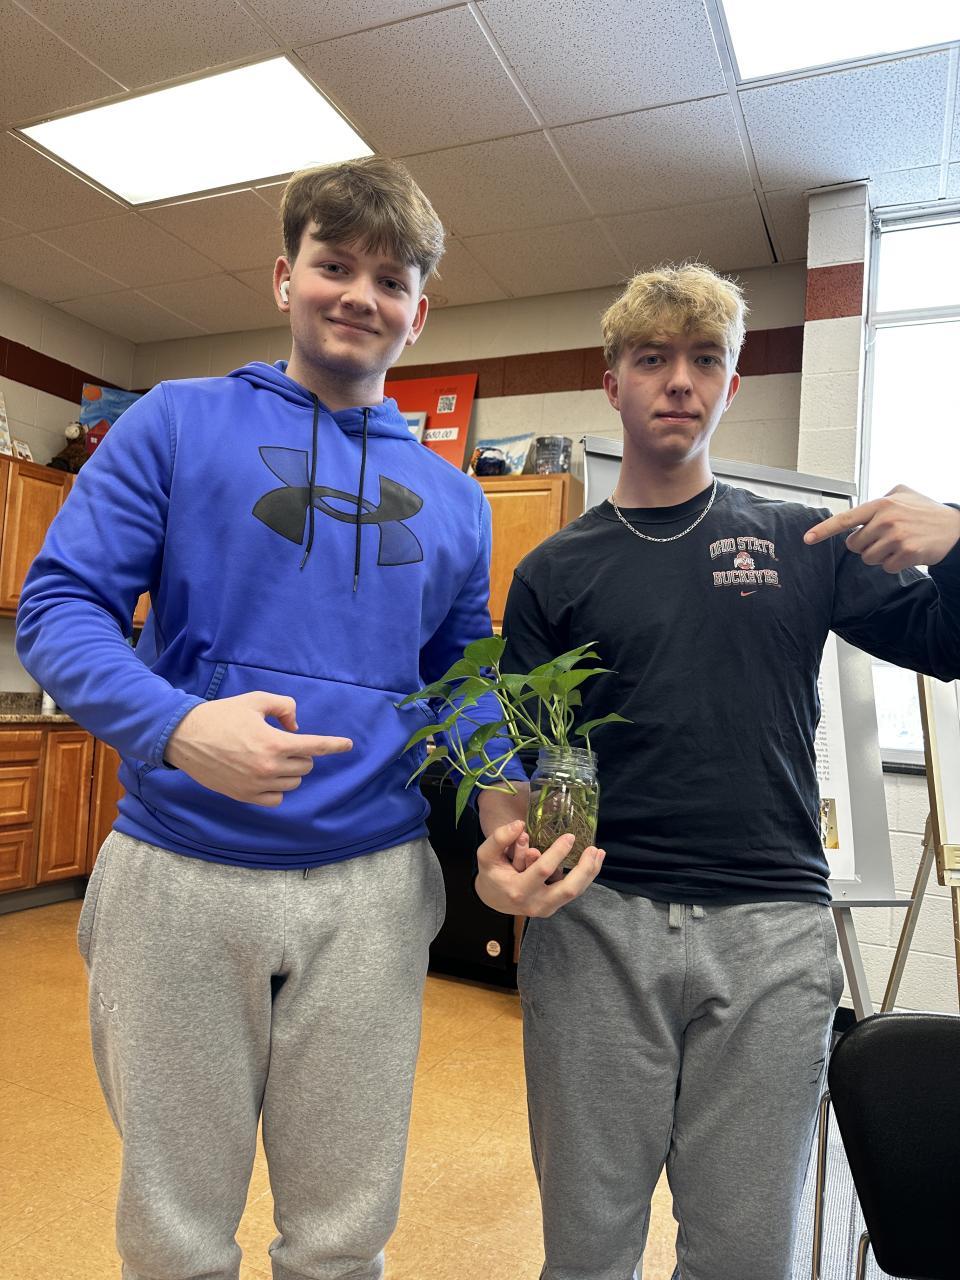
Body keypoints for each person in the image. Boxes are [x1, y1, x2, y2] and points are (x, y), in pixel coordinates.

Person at [15, 156, 589, 1280]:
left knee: (342, 1233)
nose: (359, 296)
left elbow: (455, 675)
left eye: (391, 280)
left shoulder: (457, 499)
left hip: (370, 891)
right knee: (176, 1231)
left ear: (419, 313)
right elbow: (59, 606)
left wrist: (504, 798)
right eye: (335, 266)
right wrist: (179, 727)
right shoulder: (175, 423)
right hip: (179, 874)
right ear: (285, 277)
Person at [472, 262, 960, 1280]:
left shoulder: (804, 542)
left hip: (773, 934)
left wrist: (958, 537)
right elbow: (525, 752)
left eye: (705, 360)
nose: (679, 381)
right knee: (588, 1249)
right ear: (613, 381)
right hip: (599, 928)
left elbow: (948, 641)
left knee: (744, 1255)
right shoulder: (556, 571)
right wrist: (501, 848)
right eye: (653, 358)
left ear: (732, 385)